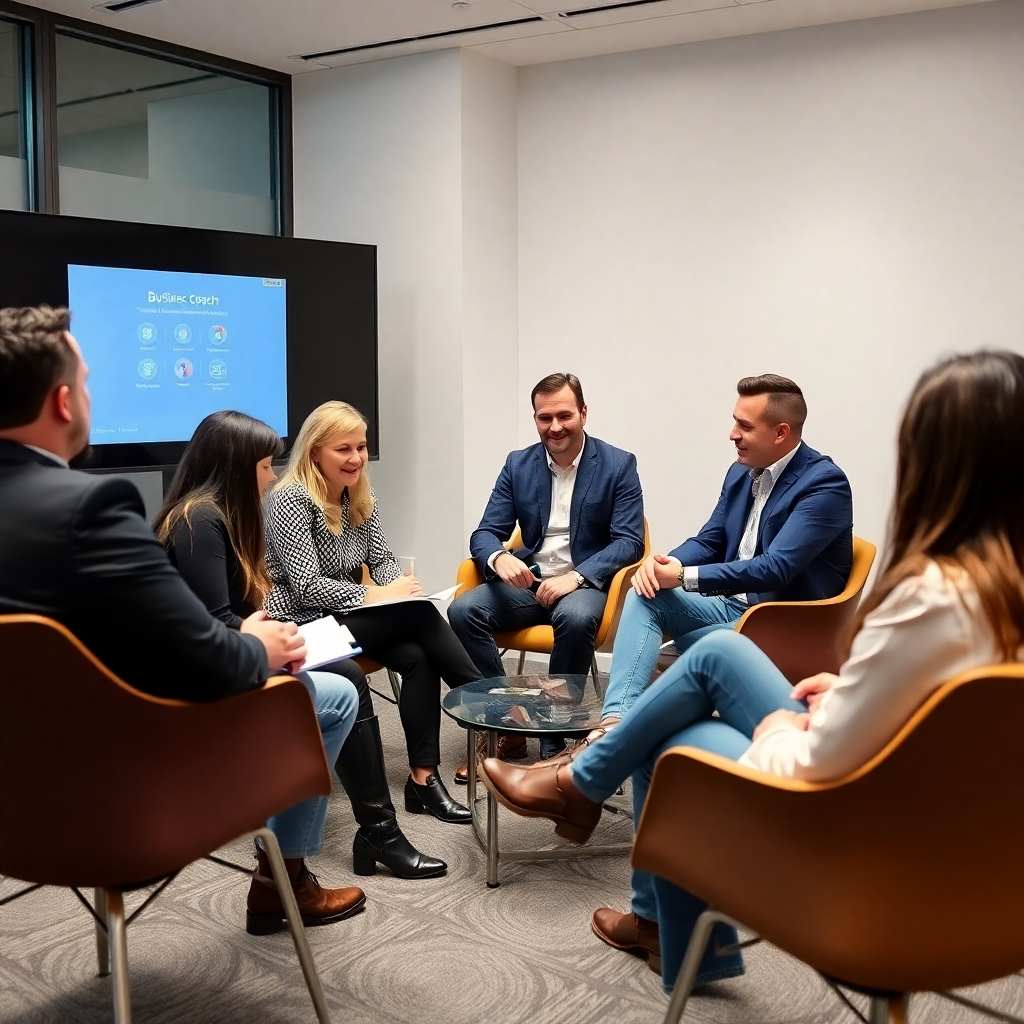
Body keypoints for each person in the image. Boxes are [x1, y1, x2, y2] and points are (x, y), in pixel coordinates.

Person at [479, 349, 1024, 993]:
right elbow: (938, 709)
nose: (732, 434)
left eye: (743, 424)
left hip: (852, 834)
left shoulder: (899, 567)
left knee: (682, 719)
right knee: (656, 611)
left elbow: (778, 577)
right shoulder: (989, 594)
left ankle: (594, 774)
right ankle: (614, 793)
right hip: (977, 869)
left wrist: (792, 724)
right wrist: (849, 689)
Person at [0, 305, 364, 934]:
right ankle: (284, 878)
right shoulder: (93, 507)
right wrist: (263, 648)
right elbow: (206, 659)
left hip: (17, 796)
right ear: (64, 402)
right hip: (117, 798)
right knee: (327, 696)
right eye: (87, 383)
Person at [154, 410, 446, 882]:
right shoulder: (198, 521)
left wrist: (275, 631)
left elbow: (242, 610)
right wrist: (282, 637)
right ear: (235, 465)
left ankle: (378, 829)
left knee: (382, 658)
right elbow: (218, 622)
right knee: (356, 671)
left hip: (238, 651)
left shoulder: (223, 517)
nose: (272, 478)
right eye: (266, 465)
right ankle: (380, 830)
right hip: (201, 673)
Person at [265, 400, 482, 825]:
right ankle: (485, 700)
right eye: (343, 449)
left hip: (343, 620)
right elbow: (307, 588)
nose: (356, 458)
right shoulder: (289, 499)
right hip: (300, 629)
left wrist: (399, 588)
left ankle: (423, 779)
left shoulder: (358, 495)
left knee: (417, 657)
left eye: (361, 447)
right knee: (419, 618)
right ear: (314, 453)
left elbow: (381, 560)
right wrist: (378, 596)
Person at [597, 373, 852, 727]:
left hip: (780, 622)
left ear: (780, 433)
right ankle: (613, 724)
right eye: (735, 421)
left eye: (744, 426)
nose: (733, 434)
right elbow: (710, 541)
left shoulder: (824, 484)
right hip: (730, 607)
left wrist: (684, 577)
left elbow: (775, 568)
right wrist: (664, 565)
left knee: (679, 660)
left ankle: (643, 720)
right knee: (645, 594)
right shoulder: (739, 472)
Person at [448, 372, 644, 772]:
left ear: (583, 413)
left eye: (564, 415)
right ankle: (509, 723)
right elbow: (486, 532)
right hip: (530, 581)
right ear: (535, 419)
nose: (554, 427)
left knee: (573, 617)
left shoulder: (618, 465)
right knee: (462, 611)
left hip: (582, 583)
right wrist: (498, 558)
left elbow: (629, 541)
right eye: (544, 418)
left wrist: (575, 578)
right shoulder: (519, 464)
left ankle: (555, 743)